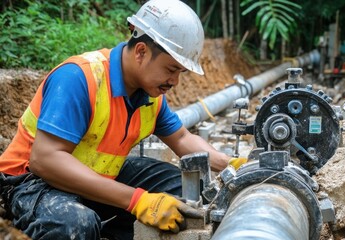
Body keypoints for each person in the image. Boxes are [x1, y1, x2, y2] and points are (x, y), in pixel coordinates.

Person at [0, 0, 246, 239]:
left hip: (96, 176)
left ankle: (105, 228)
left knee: (188, 192)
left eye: (180, 72)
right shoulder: (80, 78)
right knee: (74, 225)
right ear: (141, 51)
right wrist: (137, 200)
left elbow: (182, 138)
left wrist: (230, 164)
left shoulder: (151, 96)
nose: (175, 82)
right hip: (33, 182)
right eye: (171, 69)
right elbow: (45, 160)